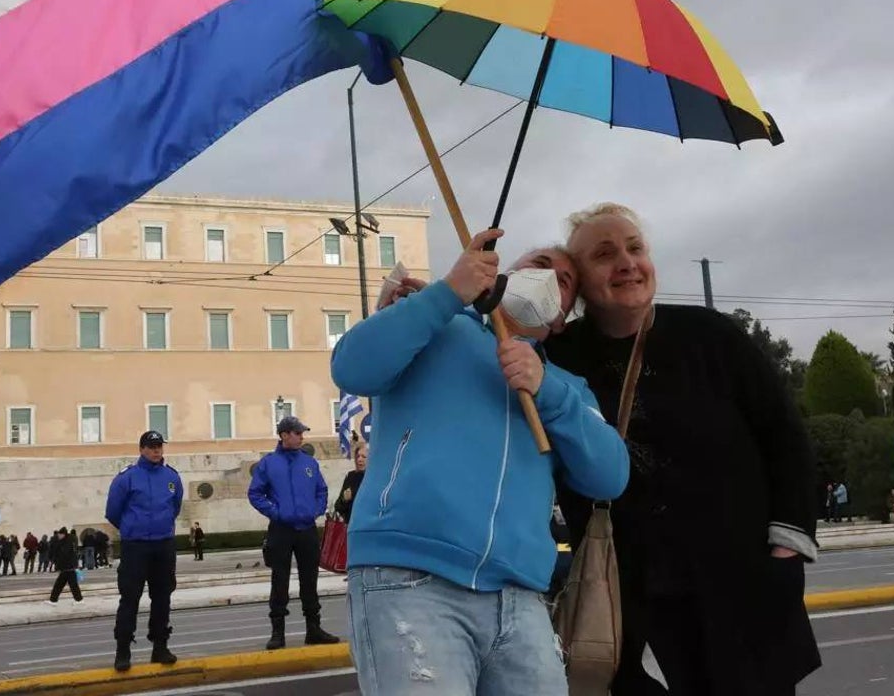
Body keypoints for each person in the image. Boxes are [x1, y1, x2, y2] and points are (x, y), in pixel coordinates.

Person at [332, 230, 629, 696]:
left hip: (520, 598)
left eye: (567, 280)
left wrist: (545, 387)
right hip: (409, 578)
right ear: (504, 273)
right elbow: (352, 368)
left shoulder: (567, 387)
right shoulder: (436, 325)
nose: (550, 275)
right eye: (540, 261)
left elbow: (610, 475)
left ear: (561, 320)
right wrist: (446, 293)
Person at [546, 204, 820, 696]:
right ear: (580, 282)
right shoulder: (560, 357)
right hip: (625, 593)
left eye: (635, 248)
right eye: (605, 254)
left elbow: (785, 435)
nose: (627, 262)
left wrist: (787, 542)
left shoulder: (713, 336)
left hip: (739, 578)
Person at [247, 416, 339, 651]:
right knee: (280, 580)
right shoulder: (268, 463)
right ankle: (278, 631)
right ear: (284, 435)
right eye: (297, 433)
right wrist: (276, 513)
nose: (301, 437)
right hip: (281, 530)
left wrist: (316, 511)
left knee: (310, 579)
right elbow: (255, 494)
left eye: (301, 433)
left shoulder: (309, 463)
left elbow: (322, 489)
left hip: (306, 529)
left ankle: (314, 628)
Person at [105, 430, 183, 672]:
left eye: (159, 446)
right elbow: (113, 511)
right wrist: (132, 528)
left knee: (162, 597)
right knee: (130, 598)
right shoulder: (127, 478)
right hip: (135, 546)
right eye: (151, 446)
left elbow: (175, 507)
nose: (156, 450)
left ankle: (160, 645)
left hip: (163, 544)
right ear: (141, 449)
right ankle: (123, 650)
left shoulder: (172, 477)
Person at [332, 443, 367, 524]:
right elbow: (338, 507)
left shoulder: (377, 478)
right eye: (357, 456)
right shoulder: (351, 476)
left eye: (364, 457)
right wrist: (344, 499)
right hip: (352, 527)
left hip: (370, 528)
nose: (359, 459)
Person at [47, 527, 83, 604]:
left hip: (68, 567)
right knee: (63, 585)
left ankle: (53, 600)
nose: (58, 536)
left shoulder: (67, 542)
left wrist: (58, 563)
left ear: (63, 534)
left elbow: (64, 554)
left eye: (59, 535)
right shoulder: (67, 540)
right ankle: (53, 600)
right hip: (67, 567)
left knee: (65, 585)